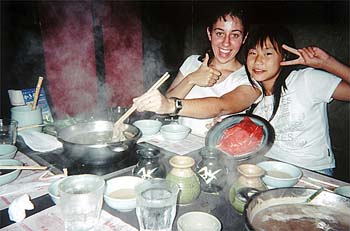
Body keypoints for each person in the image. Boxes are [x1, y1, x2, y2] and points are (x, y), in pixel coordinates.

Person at [133, 8, 261, 137]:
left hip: (216, 151)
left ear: (244, 38)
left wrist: (171, 105)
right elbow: (168, 103)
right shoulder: (192, 62)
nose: (226, 43)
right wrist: (191, 79)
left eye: (235, 35)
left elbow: (221, 105)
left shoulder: (250, 78)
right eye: (219, 33)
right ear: (209, 34)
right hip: (179, 143)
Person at [244, 24, 350, 175]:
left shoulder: (306, 80)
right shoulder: (251, 94)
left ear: (284, 55)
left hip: (313, 172)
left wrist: (326, 63)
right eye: (253, 53)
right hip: (269, 170)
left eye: (268, 53)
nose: (258, 61)